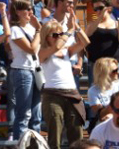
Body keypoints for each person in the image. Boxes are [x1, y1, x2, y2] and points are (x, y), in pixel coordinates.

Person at [39, 14, 89, 149]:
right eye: (55, 35)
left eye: (60, 34)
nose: (59, 37)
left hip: (71, 94)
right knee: (55, 136)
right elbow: (55, 48)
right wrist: (69, 30)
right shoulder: (43, 52)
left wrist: (76, 26)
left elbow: (85, 42)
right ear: (46, 37)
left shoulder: (67, 51)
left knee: (77, 135)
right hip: (52, 95)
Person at [8, 0, 42, 140]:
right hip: (22, 71)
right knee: (23, 114)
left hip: (35, 70)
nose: (31, 11)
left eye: (31, 8)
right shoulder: (15, 29)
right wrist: (39, 30)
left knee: (36, 114)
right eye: (27, 9)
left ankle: (36, 143)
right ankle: (20, 143)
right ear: (18, 12)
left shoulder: (31, 27)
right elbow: (31, 49)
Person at [86, 0, 119, 86]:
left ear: (108, 8)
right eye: (95, 9)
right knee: (96, 90)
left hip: (114, 63)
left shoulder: (116, 23)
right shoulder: (92, 24)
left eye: (100, 8)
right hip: (97, 64)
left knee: (115, 90)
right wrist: (100, 17)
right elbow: (88, 34)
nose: (98, 11)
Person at [87, 57, 119, 132]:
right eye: (114, 71)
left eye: (118, 70)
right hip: (104, 123)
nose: (118, 72)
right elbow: (100, 114)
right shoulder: (93, 91)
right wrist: (114, 105)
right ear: (104, 73)